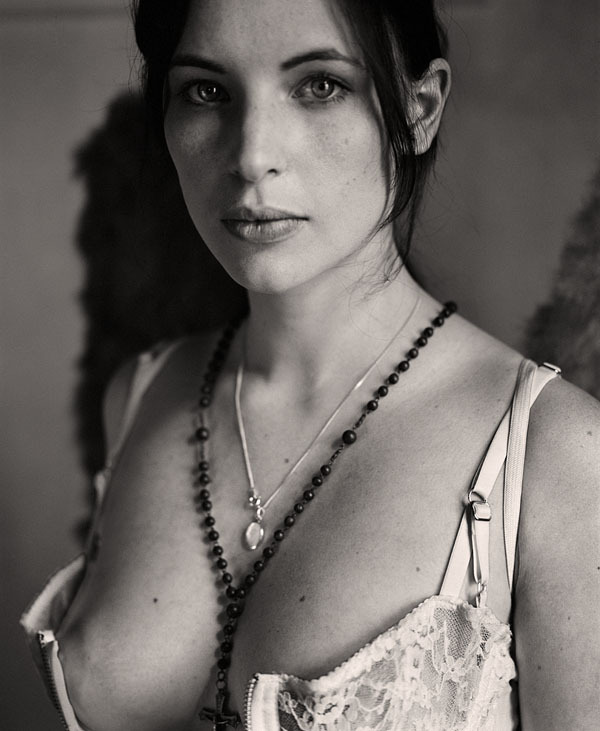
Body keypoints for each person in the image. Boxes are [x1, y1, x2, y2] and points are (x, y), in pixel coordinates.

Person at [22, 0, 599, 729]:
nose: (251, 155)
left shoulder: (557, 454)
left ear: (419, 109)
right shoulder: (140, 395)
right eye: (206, 90)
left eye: (320, 85)